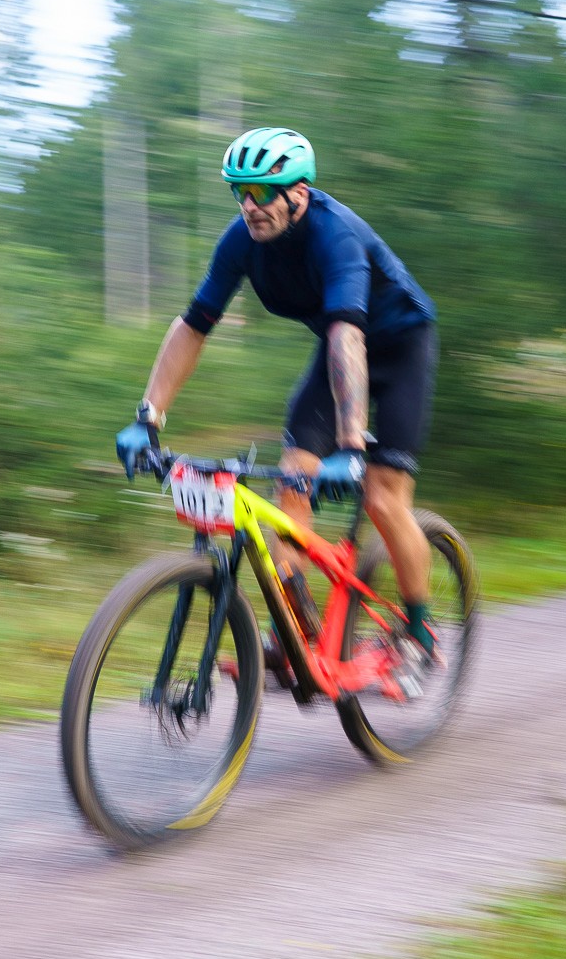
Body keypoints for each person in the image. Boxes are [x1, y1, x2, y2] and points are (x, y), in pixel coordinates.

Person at [116, 126, 440, 678]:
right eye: (239, 191)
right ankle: (293, 633)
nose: (249, 204)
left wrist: (351, 446)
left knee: (384, 499)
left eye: (262, 192)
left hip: (399, 348)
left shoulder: (336, 237)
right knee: (293, 482)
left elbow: (347, 337)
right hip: (339, 352)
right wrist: (147, 417)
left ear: (299, 194)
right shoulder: (240, 242)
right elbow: (194, 325)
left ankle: (420, 631)